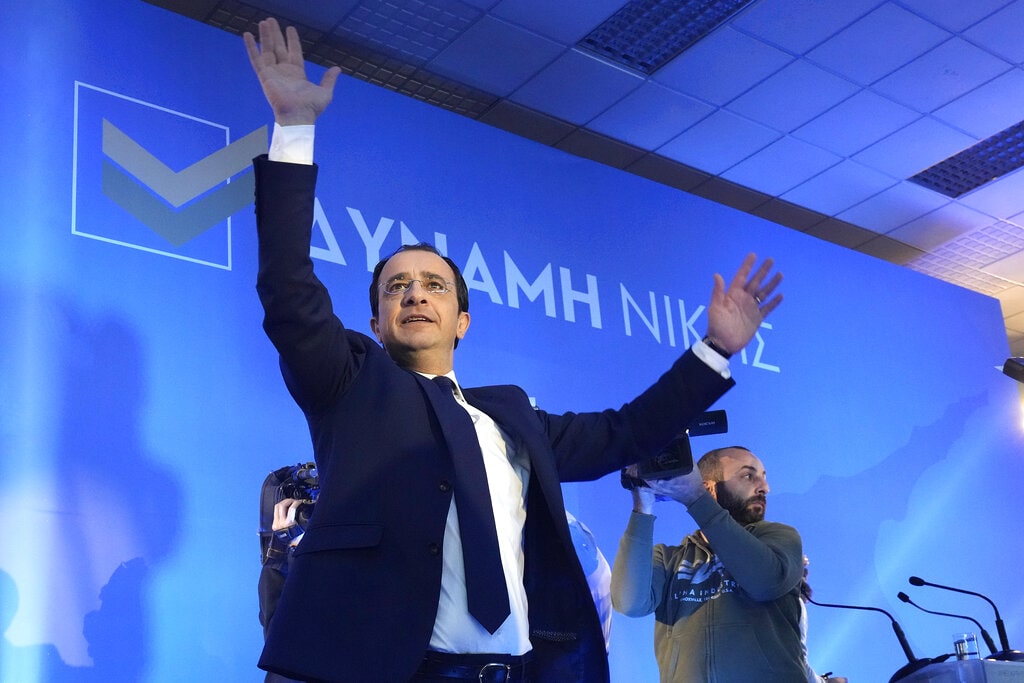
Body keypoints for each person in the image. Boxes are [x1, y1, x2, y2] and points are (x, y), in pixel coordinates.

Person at [243, 17, 783, 683]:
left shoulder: (511, 419)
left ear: (462, 319)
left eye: (433, 285)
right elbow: (289, 292)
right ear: (377, 322)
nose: (415, 294)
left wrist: (715, 349)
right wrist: (294, 128)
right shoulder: (350, 385)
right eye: (397, 287)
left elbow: (626, 432)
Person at [611, 447, 805, 682]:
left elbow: (766, 580)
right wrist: (643, 504)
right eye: (748, 475)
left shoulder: (779, 538)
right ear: (710, 488)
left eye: (764, 476)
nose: (765, 487)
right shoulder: (668, 558)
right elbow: (629, 603)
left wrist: (695, 498)